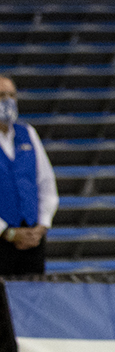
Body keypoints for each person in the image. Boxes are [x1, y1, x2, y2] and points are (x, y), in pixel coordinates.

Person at [0, 76, 58, 276]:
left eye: (11, 95)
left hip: (32, 238)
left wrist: (40, 227)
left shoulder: (27, 133)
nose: (7, 101)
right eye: (1, 96)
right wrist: (8, 233)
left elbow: (46, 182)